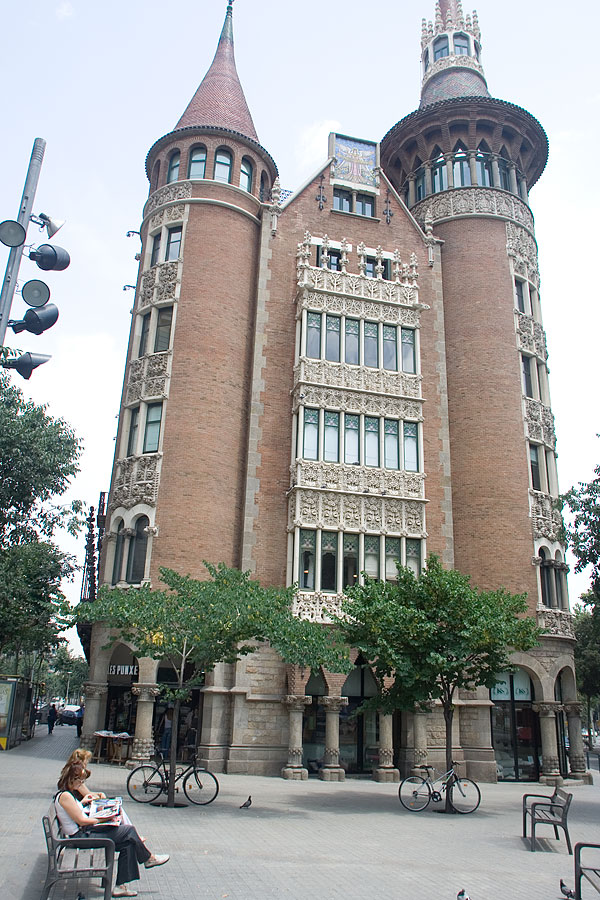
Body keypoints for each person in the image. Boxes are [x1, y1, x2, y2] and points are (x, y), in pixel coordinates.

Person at [54, 760, 169, 898]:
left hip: (84, 833)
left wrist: (84, 803)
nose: (81, 784)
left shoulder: (68, 794)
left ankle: (121, 886)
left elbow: (77, 813)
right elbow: (81, 821)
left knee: (128, 843)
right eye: (80, 781)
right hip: (80, 837)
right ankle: (148, 858)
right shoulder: (65, 796)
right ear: (72, 779)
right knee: (128, 831)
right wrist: (103, 819)